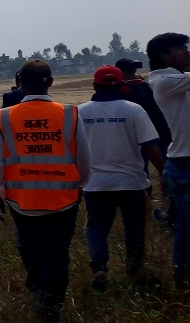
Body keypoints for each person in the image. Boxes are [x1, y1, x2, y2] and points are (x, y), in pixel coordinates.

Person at [0, 59, 90, 322]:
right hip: (63, 200)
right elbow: (84, 157)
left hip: (21, 201)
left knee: (28, 246)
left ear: (20, 84)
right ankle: (52, 303)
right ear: (52, 83)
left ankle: (39, 288)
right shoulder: (70, 114)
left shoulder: (6, 116)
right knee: (57, 252)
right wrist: (81, 185)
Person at [78, 65, 166, 290]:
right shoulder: (134, 110)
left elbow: (71, 150)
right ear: (122, 85)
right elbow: (150, 148)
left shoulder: (80, 112)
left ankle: (99, 268)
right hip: (132, 182)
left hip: (95, 184)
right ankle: (134, 271)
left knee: (96, 227)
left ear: (95, 86)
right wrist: (165, 173)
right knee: (134, 228)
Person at [146, 32, 190, 289]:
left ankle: (181, 276)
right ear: (163, 56)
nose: (186, 51)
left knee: (185, 228)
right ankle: (181, 276)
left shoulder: (179, 79)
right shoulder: (163, 81)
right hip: (185, 163)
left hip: (181, 161)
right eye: (180, 48)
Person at [116, 57, 174, 225]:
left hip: (137, 137)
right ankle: (168, 199)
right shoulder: (146, 86)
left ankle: (146, 201)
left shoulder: (124, 89)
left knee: (141, 172)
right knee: (165, 168)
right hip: (160, 134)